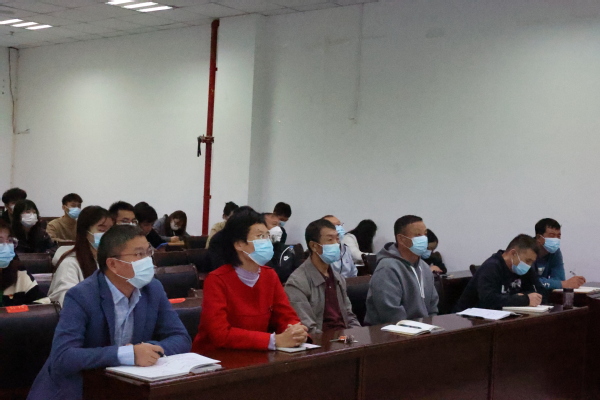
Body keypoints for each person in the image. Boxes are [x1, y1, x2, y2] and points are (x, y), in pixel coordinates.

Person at [28, 225, 191, 400]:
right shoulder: (82, 295)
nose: (148, 260)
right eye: (139, 254)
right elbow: (64, 356)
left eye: (148, 252)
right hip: (78, 388)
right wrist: (127, 354)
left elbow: (181, 337)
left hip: (126, 387)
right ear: (113, 264)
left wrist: (151, 350)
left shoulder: (153, 289)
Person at [192, 208, 307, 353]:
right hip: (217, 356)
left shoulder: (270, 275)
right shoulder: (217, 280)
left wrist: (296, 331)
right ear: (239, 244)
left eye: (267, 236)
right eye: (260, 236)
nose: (266, 242)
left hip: (256, 353)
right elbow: (220, 333)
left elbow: (286, 315)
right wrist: (273, 340)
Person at [285, 219, 361, 334]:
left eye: (337, 239)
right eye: (330, 240)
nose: (336, 244)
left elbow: (349, 316)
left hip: (344, 338)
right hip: (321, 341)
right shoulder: (297, 282)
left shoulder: (338, 278)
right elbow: (307, 327)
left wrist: (358, 335)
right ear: (314, 246)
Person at [365, 215, 439, 325]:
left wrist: (431, 326)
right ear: (401, 239)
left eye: (425, 234)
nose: (424, 239)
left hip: (423, 330)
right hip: (390, 331)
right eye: (418, 235)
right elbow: (391, 315)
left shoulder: (424, 267)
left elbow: (433, 307)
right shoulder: (387, 268)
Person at [454, 234, 545, 312]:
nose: (529, 265)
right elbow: (488, 299)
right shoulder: (491, 267)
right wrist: (523, 299)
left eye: (532, 262)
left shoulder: (525, 269)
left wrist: (531, 297)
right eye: (528, 261)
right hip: (469, 318)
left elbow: (538, 291)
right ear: (513, 253)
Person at [48, 206, 113, 306]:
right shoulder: (70, 264)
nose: (107, 235)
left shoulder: (112, 261)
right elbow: (66, 300)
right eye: (102, 229)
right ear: (85, 231)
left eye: (111, 230)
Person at [0, 220, 48, 306]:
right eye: (0, 241)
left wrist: (19, 311)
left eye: (9, 240)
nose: (6, 246)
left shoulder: (19, 272)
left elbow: (43, 305)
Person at [533, 218, 585, 290]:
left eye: (558, 236)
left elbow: (559, 279)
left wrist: (562, 283)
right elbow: (528, 283)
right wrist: (562, 284)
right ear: (539, 237)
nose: (556, 239)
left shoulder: (555, 252)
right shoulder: (525, 250)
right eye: (552, 235)